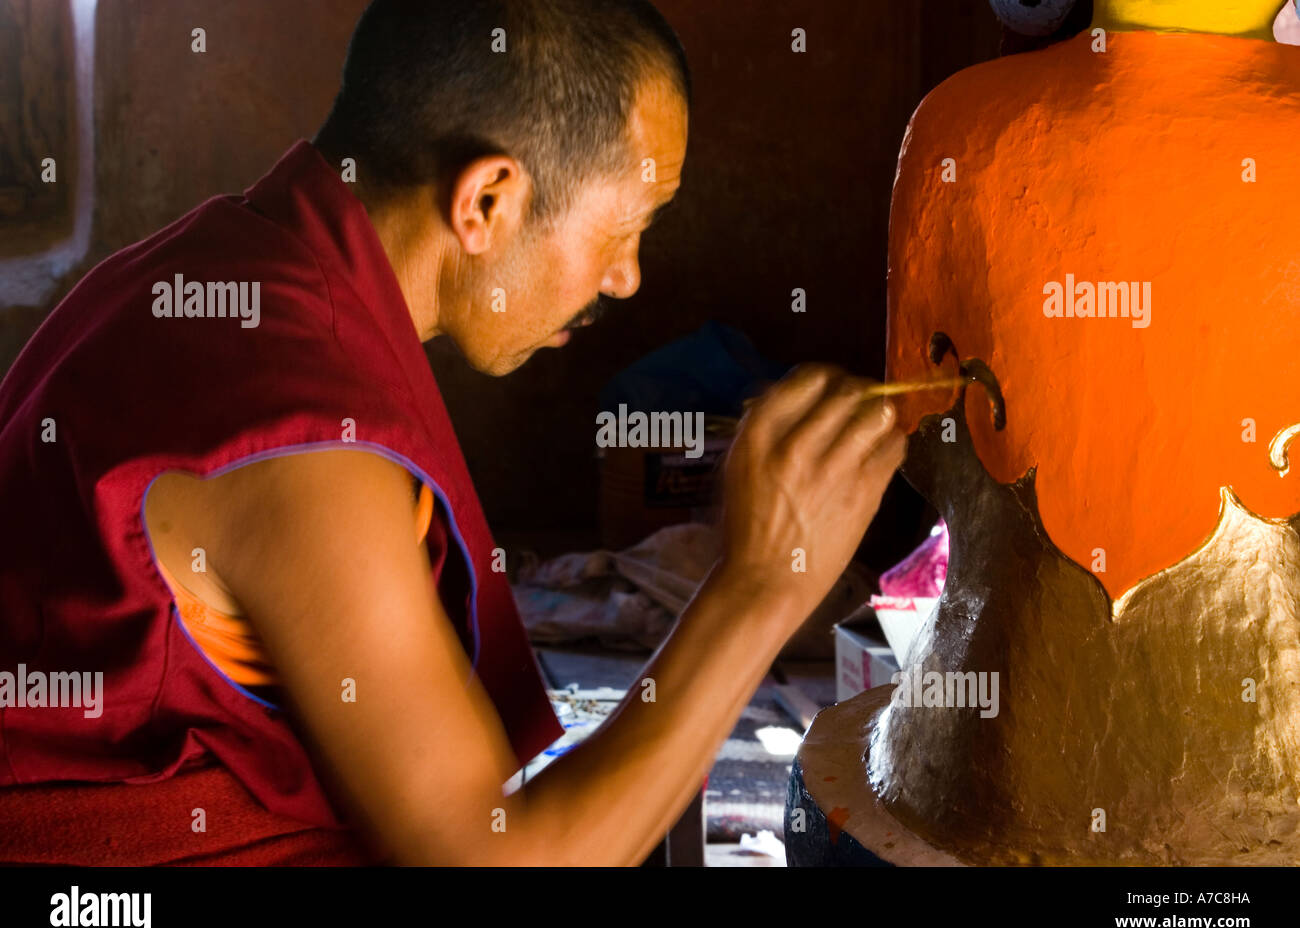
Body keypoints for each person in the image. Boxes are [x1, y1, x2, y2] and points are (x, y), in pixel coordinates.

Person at [0, 0, 904, 865]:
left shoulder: (219, 267)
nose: (627, 279)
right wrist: (759, 586)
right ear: (487, 203)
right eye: (628, 228)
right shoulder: (300, 435)